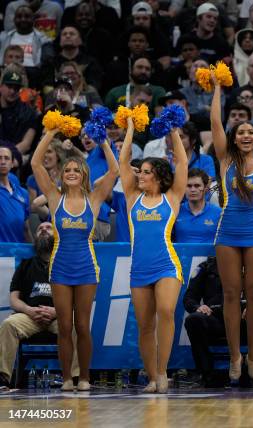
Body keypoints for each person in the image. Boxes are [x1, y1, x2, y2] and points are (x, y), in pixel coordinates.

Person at [30, 118, 119, 391]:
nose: (70, 172)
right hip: (59, 268)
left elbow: (115, 170)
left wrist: (101, 137)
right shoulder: (54, 198)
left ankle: (84, 378)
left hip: (86, 269)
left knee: (82, 325)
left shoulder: (93, 200)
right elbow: (34, 163)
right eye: (66, 169)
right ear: (62, 174)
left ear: (83, 174)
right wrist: (52, 131)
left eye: (75, 170)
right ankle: (67, 378)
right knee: (64, 326)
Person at [211, 74, 253, 383]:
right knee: (229, 294)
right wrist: (216, 88)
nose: (246, 136)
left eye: (250, 131)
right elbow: (214, 123)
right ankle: (235, 357)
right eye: (241, 132)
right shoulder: (225, 160)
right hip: (227, 233)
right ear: (234, 137)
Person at [118, 116, 188, 394]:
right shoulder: (132, 198)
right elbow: (123, 162)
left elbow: (182, 164)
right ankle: (151, 377)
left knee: (166, 311)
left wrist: (172, 130)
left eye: (145, 171)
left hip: (166, 265)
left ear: (158, 175)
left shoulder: (171, 198)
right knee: (145, 325)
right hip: (139, 269)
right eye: (141, 171)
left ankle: (162, 372)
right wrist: (131, 129)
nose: (139, 174)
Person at [0, 222, 79, 389]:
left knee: (76, 326)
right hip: (30, 316)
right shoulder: (26, 265)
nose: (43, 230)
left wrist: (56, 311)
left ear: (56, 236)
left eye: (48, 228)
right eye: (39, 229)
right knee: (8, 325)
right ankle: (3, 378)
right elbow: (14, 299)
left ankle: (75, 378)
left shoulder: (66, 264)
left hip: (58, 316)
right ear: (34, 237)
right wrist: (29, 310)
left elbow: (76, 299)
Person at [183, 257, 253, 386]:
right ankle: (206, 373)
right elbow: (189, 298)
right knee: (193, 320)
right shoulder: (206, 267)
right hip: (216, 319)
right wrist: (197, 307)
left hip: (244, 322)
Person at [174, 168, 221, 243]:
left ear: (206, 189)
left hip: (209, 254)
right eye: (189, 186)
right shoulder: (175, 211)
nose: (192, 190)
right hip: (181, 254)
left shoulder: (218, 213)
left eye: (197, 186)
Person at [0, 146, 31, 243]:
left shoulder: (23, 193)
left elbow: (25, 227)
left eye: (7, 158)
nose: (3, 162)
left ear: (12, 163)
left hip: (17, 252)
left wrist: (33, 251)